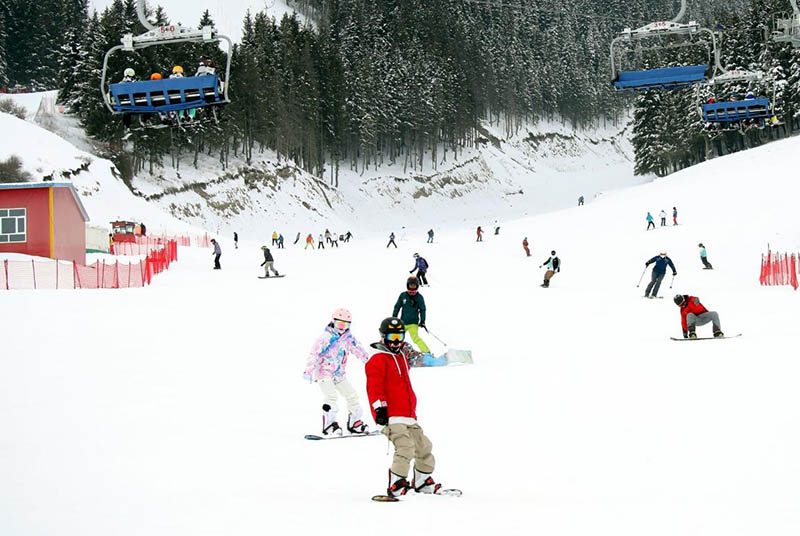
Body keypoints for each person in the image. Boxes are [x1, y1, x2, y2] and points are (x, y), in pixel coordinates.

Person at [366, 317, 445, 497]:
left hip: (407, 414)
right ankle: (397, 483)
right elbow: (374, 388)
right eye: (392, 337)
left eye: (400, 337)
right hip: (390, 415)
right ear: (383, 337)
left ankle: (422, 481)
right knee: (405, 447)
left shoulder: (401, 354)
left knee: (423, 446)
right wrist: (380, 410)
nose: (396, 342)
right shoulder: (377, 359)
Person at [304, 309, 371, 436]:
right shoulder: (326, 337)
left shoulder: (348, 338)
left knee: (352, 395)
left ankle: (355, 423)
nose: (342, 328)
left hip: (339, 373)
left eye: (345, 325)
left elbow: (358, 349)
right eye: (340, 324)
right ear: (333, 322)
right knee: (331, 397)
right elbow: (314, 354)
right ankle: (330, 425)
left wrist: (369, 361)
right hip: (324, 372)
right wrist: (308, 371)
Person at [392, 277, 435, 364]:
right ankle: (393, 352)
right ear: (407, 285)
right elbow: (397, 307)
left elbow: (423, 309)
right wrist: (394, 318)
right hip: (402, 322)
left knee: (415, 337)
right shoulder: (403, 295)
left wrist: (422, 321)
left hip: (413, 323)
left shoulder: (419, 297)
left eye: (414, 286)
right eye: (410, 286)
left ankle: (427, 353)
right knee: (397, 337)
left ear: (417, 286)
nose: (412, 288)